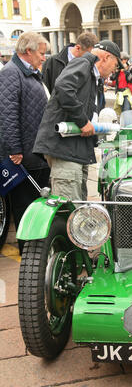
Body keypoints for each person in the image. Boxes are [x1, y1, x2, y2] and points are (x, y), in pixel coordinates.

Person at [33, 40, 122, 202]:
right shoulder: (84, 63)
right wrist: (83, 122)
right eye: (115, 65)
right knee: (69, 208)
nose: (113, 71)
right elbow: (63, 86)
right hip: (66, 150)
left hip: (75, 151)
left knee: (78, 206)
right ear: (106, 57)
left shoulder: (92, 74)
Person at [0, 32, 51, 254]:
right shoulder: (11, 73)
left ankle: (36, 254)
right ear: (27, 51)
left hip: (35, 153)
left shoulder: (29, 73)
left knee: (35, 206)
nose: (44, 58)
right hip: (23, 158)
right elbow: (7, 114)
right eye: (41, 53)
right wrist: (15, 150)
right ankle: (29, 255)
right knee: (25, 209)